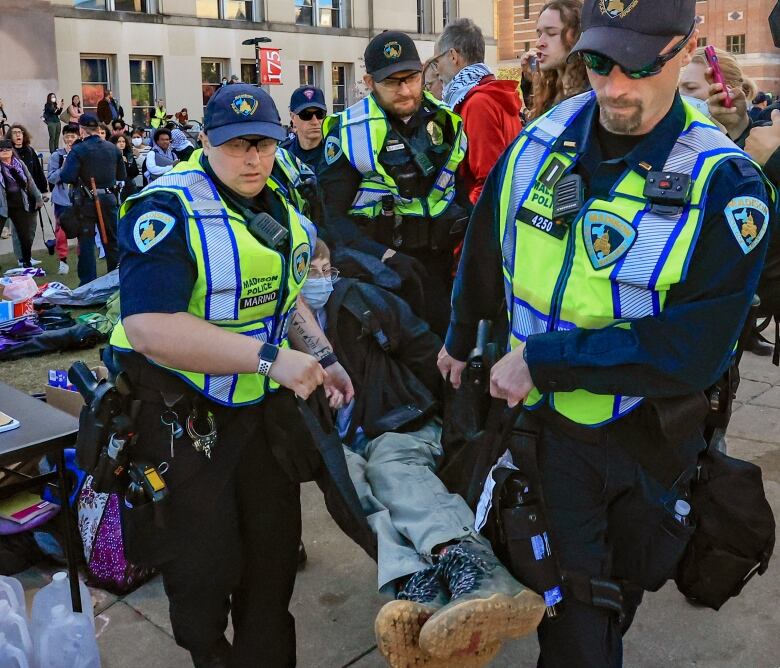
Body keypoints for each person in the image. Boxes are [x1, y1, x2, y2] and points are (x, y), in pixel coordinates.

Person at [438, 1, 775, 665]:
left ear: (685, 49)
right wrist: (461, 334)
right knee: (578, 635)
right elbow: (487, 243)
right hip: (548, 437)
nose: (615, 86)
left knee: (619, 593)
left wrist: (544, 359)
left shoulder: (725, 183)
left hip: (648, 440)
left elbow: (692, 351)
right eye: (598, 61)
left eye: (639, 64)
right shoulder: (540, 139)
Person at [106, 82, 352, 667]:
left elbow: (283, 298)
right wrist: (268, 360)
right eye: (236, 145)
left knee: (271, 564)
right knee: (202, 571)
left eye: (264, 145)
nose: (252, 159)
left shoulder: (277, 196)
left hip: (261, 420)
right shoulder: (166, 207)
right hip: (183, 418)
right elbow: (147, 326)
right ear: (208, 142)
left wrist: (324, 358)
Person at [302, 240, 545, 666]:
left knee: (392, 468)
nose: (321, 280)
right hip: (348, 444)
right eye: (309, 272)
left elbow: (428, 355)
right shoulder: (270, 336)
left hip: (402, 422)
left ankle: (476, 568)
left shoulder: (359, 303)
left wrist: (444, 423)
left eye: (327, 268)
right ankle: (422, 591)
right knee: (354, 488)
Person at [319, 31, 469, 336]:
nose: (404, 90)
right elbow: (329, 217)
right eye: (391, 82)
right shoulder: (350, 132)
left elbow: (459, 186)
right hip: (384, 268)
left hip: (442, 263)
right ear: (370, 82)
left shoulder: (445, 120)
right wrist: (382, 257)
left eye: (411, 78)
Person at [433, 17, 522, 207]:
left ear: (453, 56)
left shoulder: (477, 103)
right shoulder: (491, 93)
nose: (437, 70)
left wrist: (467, 228)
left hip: (481, 223)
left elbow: (488, 180)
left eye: (436, 61)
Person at [60, 113, 126, 285]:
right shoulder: (113, 148)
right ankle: (117, 279)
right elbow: (121, 174)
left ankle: (89, 282)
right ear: (98, 128)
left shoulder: (79, 149)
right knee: (112, 240)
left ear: (82, 130)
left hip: (87, 201)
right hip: (109, 198)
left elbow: (67, 176)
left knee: (87, 242)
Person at [521, 0, 588, 120]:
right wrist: (530, 80)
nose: (539, 43)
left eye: (552, 33)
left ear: (578, 36)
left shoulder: (592, 95)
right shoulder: (552, 90)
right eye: (539, 34)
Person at [5, 124, 47, 265]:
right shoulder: (6, 155)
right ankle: (21, 258)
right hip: (15, 199)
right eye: (15, 132)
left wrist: (41, 192)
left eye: (20, 132)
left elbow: (36, 173)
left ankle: (27, 255)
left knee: (31, 227)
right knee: (18, 230)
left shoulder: (30, 151)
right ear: (10, 136)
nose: (18, 135)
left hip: (31, 194)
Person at [47, 123, 81, 274]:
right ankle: (63, 260)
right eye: (67, 136)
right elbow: (52, 178)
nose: (70, 140)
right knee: (61, 232)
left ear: (79, 137)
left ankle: (83, 258)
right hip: (61, 199)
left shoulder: (81, 153)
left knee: (82, 230)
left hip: (79, 199)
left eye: (73, 136)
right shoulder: (57, 156)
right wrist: (64, 166)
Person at [280, 85, 328, 174]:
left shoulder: (338, 152)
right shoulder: (282, 155)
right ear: (293, 117)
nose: (315, 121)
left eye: (319, 114)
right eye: (306, 115)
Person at [110, 134, 139, 201]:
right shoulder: (110, 156)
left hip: (129, 185)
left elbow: (135, 172)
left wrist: (127, 163)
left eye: (123, 141)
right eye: (119, 142)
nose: (121, 143)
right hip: (115, 186)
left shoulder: (129, 155)